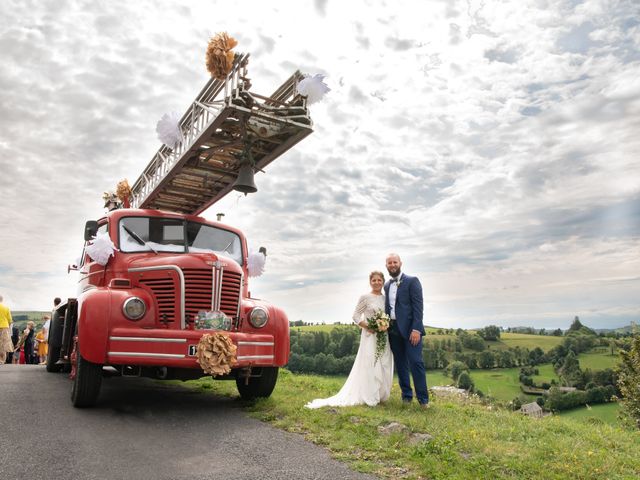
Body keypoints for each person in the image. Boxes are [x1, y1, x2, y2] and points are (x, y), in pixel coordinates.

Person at [306, 271, 393, 408]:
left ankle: (380, 394)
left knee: (383, 362)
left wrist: (384, 325)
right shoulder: (365, 297)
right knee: (370, 363)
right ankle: (369, 394)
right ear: (370, 282)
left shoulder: (386, 298)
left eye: (379, 280)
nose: (376, 282)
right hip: (369, 336)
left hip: (383, 336)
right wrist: (368, 326)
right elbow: (356, 315)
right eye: (374, 280)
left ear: (383, 281)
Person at [384, 253, 429, 407]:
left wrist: (416, 329)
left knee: (416, 362)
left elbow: (418, 306)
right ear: (386, 266)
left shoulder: (412, 281)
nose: (392, 265)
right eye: (389, 263)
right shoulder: (387, 285)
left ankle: (423, 400)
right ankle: (406, 397)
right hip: (393, 330)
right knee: (401, 363)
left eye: (394, 262)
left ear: (400, 263)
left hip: (411, 331)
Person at [0, 294, 13, 364]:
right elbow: (10, 320)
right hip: (5, 327)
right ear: (2, 299)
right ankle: (2, 360)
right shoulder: (6, 308)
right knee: (3, 344)